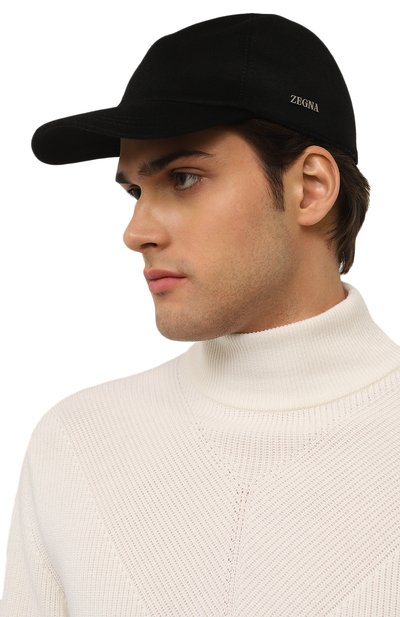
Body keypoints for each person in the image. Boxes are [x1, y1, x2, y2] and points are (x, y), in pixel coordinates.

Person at [1, 12, 399, 616]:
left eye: (183, 178)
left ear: (312, 187)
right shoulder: (76, 445)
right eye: (136, 191)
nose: (136, 232)